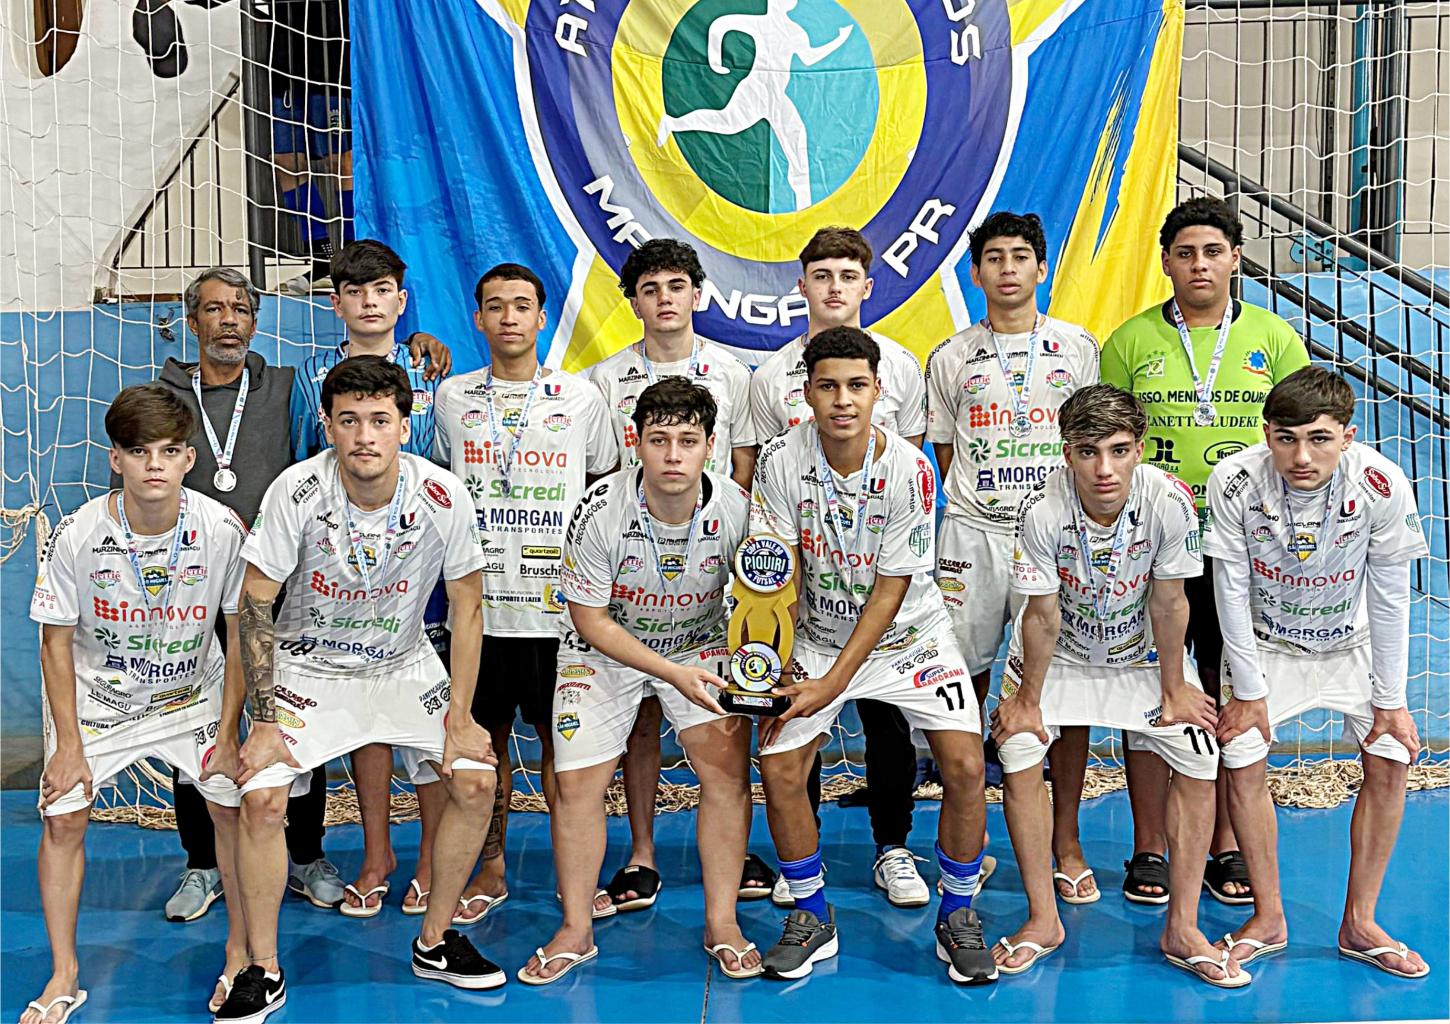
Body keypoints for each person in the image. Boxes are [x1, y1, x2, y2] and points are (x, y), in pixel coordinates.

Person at [216, 357, 500, 1024]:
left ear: (406, 425)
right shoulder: (296, 492)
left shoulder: (442, 495)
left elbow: (468, 606)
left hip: (402, 664)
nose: (364, 436)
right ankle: (262, 968)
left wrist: (460, 717)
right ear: (328, 426)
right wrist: (261, 722)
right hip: (309, 669)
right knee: (260, 797)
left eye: (379, 420)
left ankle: (434, 941)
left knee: (476, 780)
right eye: (348, 421)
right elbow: (254, 605)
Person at [750, 327, 996, 985]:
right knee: (778, 765)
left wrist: (831, 685)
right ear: (806, 393)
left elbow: (890, 591)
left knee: (967, 765)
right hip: (816, 636)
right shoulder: (779, 461)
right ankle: (812, 915)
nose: (842, 400)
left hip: (908, 638)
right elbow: (775, 572)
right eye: (827, 386)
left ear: (877, 392)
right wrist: (778, 660)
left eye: (856, 386)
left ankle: (958, 914)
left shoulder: (910, 469)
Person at [990, 384, 1236, 987]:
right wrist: (1025, 700)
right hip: (1061, 656)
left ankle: (1183, 928)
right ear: (1066, 452)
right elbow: (1040, 617)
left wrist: (1175, 687)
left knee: (1198, 753)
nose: (1104, 469)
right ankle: (1043, 920)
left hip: (1136, 659)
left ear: (1141, 448)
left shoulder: (1172, 502)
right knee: (1019, 749)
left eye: (1120, 451)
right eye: (1088, 451)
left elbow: (1171, 600)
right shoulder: (1041, 511)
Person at [1101, 196, 1310, 904]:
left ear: (1235, 259)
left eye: (1212, 252)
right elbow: (1111, 450)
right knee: (1149, 688)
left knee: (1229, 685)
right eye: (1185, 253)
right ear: (1165, 262)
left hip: (1240, 545)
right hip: (1151, 544)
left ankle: (1226, 845)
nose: (1199, 265)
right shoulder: (1127, 343)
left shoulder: (1275, 339)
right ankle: (1148, 849)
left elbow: (1298, 442)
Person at [518, 378, 759, 984]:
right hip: (602, 651)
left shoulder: (737, 507)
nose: (673, 455)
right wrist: (671, 674)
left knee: (727, 777)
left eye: (687, 440)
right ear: (636, 444)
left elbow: (766, 595)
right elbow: (590, 621)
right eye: (659, 441)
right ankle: (575, 928)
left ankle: (723, 921)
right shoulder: (600, 509)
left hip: (699, 644)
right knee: (577, 787)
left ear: (710, 445)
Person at [25, 384, 251, 1024]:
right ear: (114, 459)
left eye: (170, 450)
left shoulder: (221, 527)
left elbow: (238, 636)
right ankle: (64, 973)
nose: (155, 463)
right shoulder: (75, 535)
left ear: (189, 459)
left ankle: (239, 955)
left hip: (192, 692)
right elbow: (54, 643)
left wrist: (230, 730)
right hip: (103, 701)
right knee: (63, 817)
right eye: (139, 450)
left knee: (230, 807)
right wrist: (69, 746)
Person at [1203, 366, 1430, 979]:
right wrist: (1248, 693)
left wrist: (1390, 699)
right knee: (1242, 755)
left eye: (1319, 439)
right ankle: (1269, 919)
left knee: (1392, 755)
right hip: (1268, 647)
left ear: (1347, 436)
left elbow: (1390, 596)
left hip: (1352, 647)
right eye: (1285, 438)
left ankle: (1360, 922)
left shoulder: (1383, 484)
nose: (1301, 456)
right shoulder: (1233, 482)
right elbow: (1230, 587)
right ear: (1267, 434)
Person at [143, 267, 340, 925]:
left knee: (291, 714)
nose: (230, 320)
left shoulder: (284, 386)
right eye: (215, 309)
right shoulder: (160, 394)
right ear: (192, 320)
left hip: (279, 589)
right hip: (191, 593)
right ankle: (203, 864)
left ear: (254, 322)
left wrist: (421, 344)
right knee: (196, 724)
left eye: (242, 310)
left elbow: (362, 373)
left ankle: (306, 855)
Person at [750, 226, 930, 906]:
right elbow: (762, 480)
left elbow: (913, 470)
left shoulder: (903, 367)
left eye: (846, 275)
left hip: (882, 576)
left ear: (866, 285)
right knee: (798, 715)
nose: (833, 287)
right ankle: (805, 858)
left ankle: (894, 848)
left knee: (888, 718)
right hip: (806, 583)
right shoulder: (771, 378)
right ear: (801, 286)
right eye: (819, 274)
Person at [925, 211, 1101, 904]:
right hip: (971, 534)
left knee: (1059, 683)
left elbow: (1089, 447)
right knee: (959, 681)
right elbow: (946, 452)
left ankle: (1066, 842)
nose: (1006, 269)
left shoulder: (1077, 347)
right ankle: (966, 839)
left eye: (1020, 256)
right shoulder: (951, 356)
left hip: (1052, 534)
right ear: (976, 273)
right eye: (993, 258)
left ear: (1040, 268)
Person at [431, 263, 616, 924]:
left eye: (521, 306)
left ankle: (578, 875)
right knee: (487, 749)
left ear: (542, 319)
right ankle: (491, 869)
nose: (509, 317)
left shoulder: (582, 398)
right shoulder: (450, 398)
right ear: (478, 318)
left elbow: (601, 485)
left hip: (559, 614)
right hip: (480, 611)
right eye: (495, 307)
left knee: (566, 752)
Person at [584, 238, 757, 915]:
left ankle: (735, 852)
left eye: (676, 286)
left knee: (721, 719)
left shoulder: (733, 373)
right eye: (650, 288)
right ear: (633, 301)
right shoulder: (605, 379)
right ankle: (642, 853)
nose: (664, 299)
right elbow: (603, 482)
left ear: (697, 294)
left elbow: (739, 472)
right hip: (633, 581)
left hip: (711, 584)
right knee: (640, 720)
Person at [289, 238, 456, 916]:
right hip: (340, 587)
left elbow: (447, 472)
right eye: (354, 292)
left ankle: (436, 861)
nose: (367, 302)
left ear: (400, 299)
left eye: (380, 290)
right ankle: (379, 853)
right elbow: (302, 464)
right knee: (366, 725)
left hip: (421, 584)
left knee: (428, 726)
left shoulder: (431, 372)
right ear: (336, 303)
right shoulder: (309, 378)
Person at [267, 0, 352, 295]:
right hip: (284, 65)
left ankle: (354, 255)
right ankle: (321, 257)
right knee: (286, 162)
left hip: (331, 63)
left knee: (340, 162)